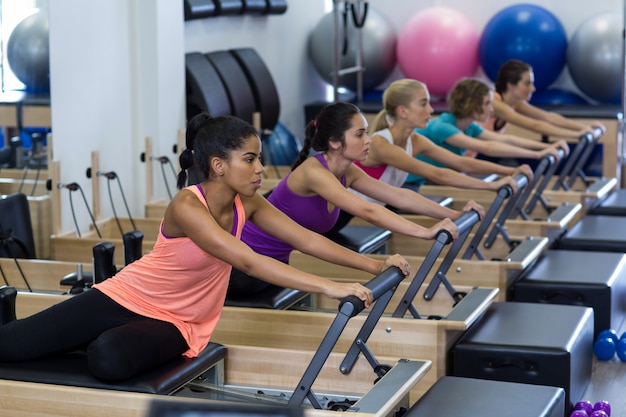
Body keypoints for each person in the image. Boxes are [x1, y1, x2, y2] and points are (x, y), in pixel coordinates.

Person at [0, 113, 412, 381]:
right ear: (218, 166)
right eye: (249, 160)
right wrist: (329, 287)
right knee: (12, 345)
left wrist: (373, 267)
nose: (260, 169)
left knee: (108, 358)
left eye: (259, 159)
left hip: (181, 322)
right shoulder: (186, 205)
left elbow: (304, 238)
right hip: (125, 297)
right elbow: (247, 260)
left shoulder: (246, 201)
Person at [228, 101, 476, 297]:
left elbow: (399, 196)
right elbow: (368, 211)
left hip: (276, 264)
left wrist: (454, 216)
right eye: (359, 134)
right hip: (244, 268)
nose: (368, 140)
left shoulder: (347, 171)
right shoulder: (313, 172)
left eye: (366, 133)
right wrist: (424, 232)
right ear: (335, 142)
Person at [404, 78, 566, 190]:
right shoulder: (443, 127)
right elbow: (484, 150)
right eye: (487, 103)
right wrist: (535, 156)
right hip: (405, 182)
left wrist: (546, 147)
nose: (491, 109)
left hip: (423, 181)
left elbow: (504, 139)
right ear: (472, 105)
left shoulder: (469, 126)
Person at [481, 59, 605, 138]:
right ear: (511, 85)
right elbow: (535, 126)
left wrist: (584, 127)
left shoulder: (515, 103)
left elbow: (548, 117)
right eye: (527, 83)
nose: (533, 89)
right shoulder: (493, 103)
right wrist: (576, 135)